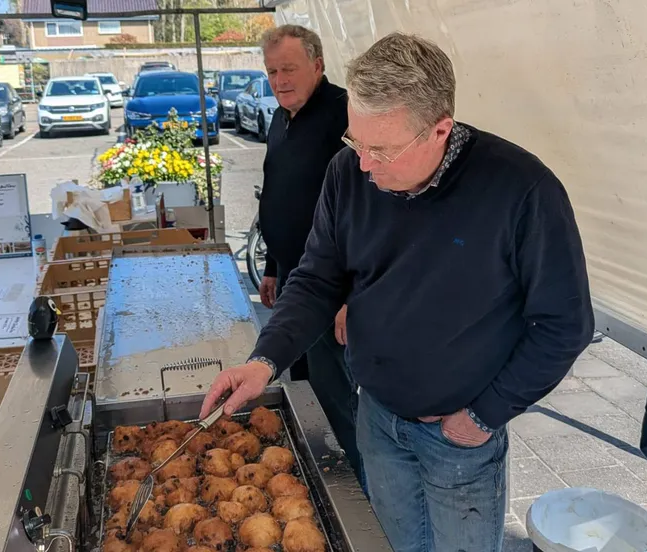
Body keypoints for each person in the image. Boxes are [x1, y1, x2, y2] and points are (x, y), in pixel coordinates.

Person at [202, 32, 594, 551]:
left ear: (440, 130)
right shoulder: (348, 174)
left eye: (381, 150)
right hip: (378, 420)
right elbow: (318, 278)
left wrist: (486, 414)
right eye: (355, 141)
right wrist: (264, 360)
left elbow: (566, 324)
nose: (364, 164)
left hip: (461, 440)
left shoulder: (522, 190)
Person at [255, 25, 365, 485]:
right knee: (296, 387)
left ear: (317, 66)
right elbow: (278, 191)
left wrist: (354, 296)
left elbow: (368, 213)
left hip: (329, 290)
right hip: (292, 284)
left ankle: (356, 491)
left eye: (289, 69)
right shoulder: (281, 118)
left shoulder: (346, 116)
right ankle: (310, 474)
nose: (279, 80)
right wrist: (272, 266)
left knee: (332, 396)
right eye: (272, 71)